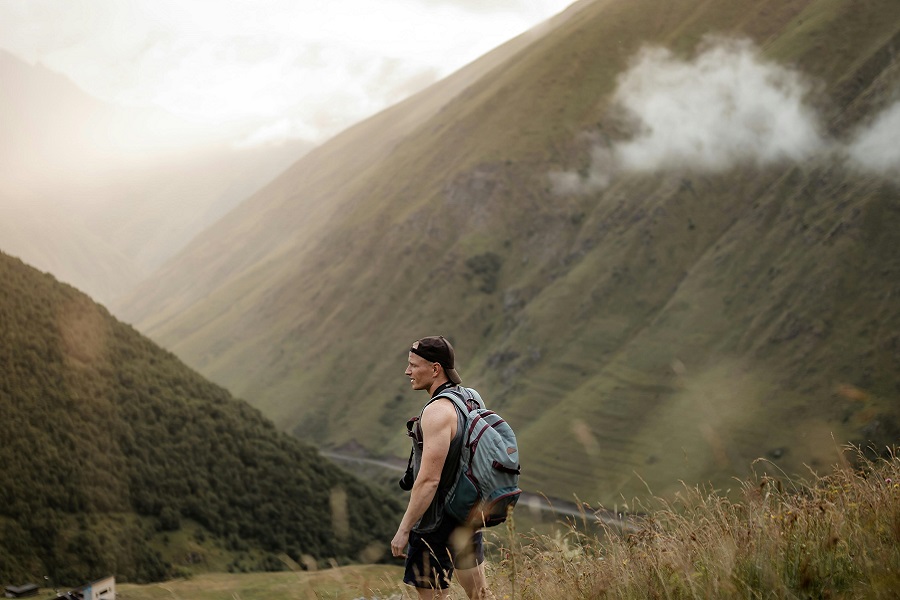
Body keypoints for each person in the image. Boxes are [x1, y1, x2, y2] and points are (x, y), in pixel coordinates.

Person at [391, 335, 488, 599]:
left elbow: (429, 481)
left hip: (434, 524)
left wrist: (404, 529)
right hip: (467, 514)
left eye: (413, 365)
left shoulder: (437, 412)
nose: (407, 371)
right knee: (480, 595)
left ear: (435, 369)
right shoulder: (471, 398)